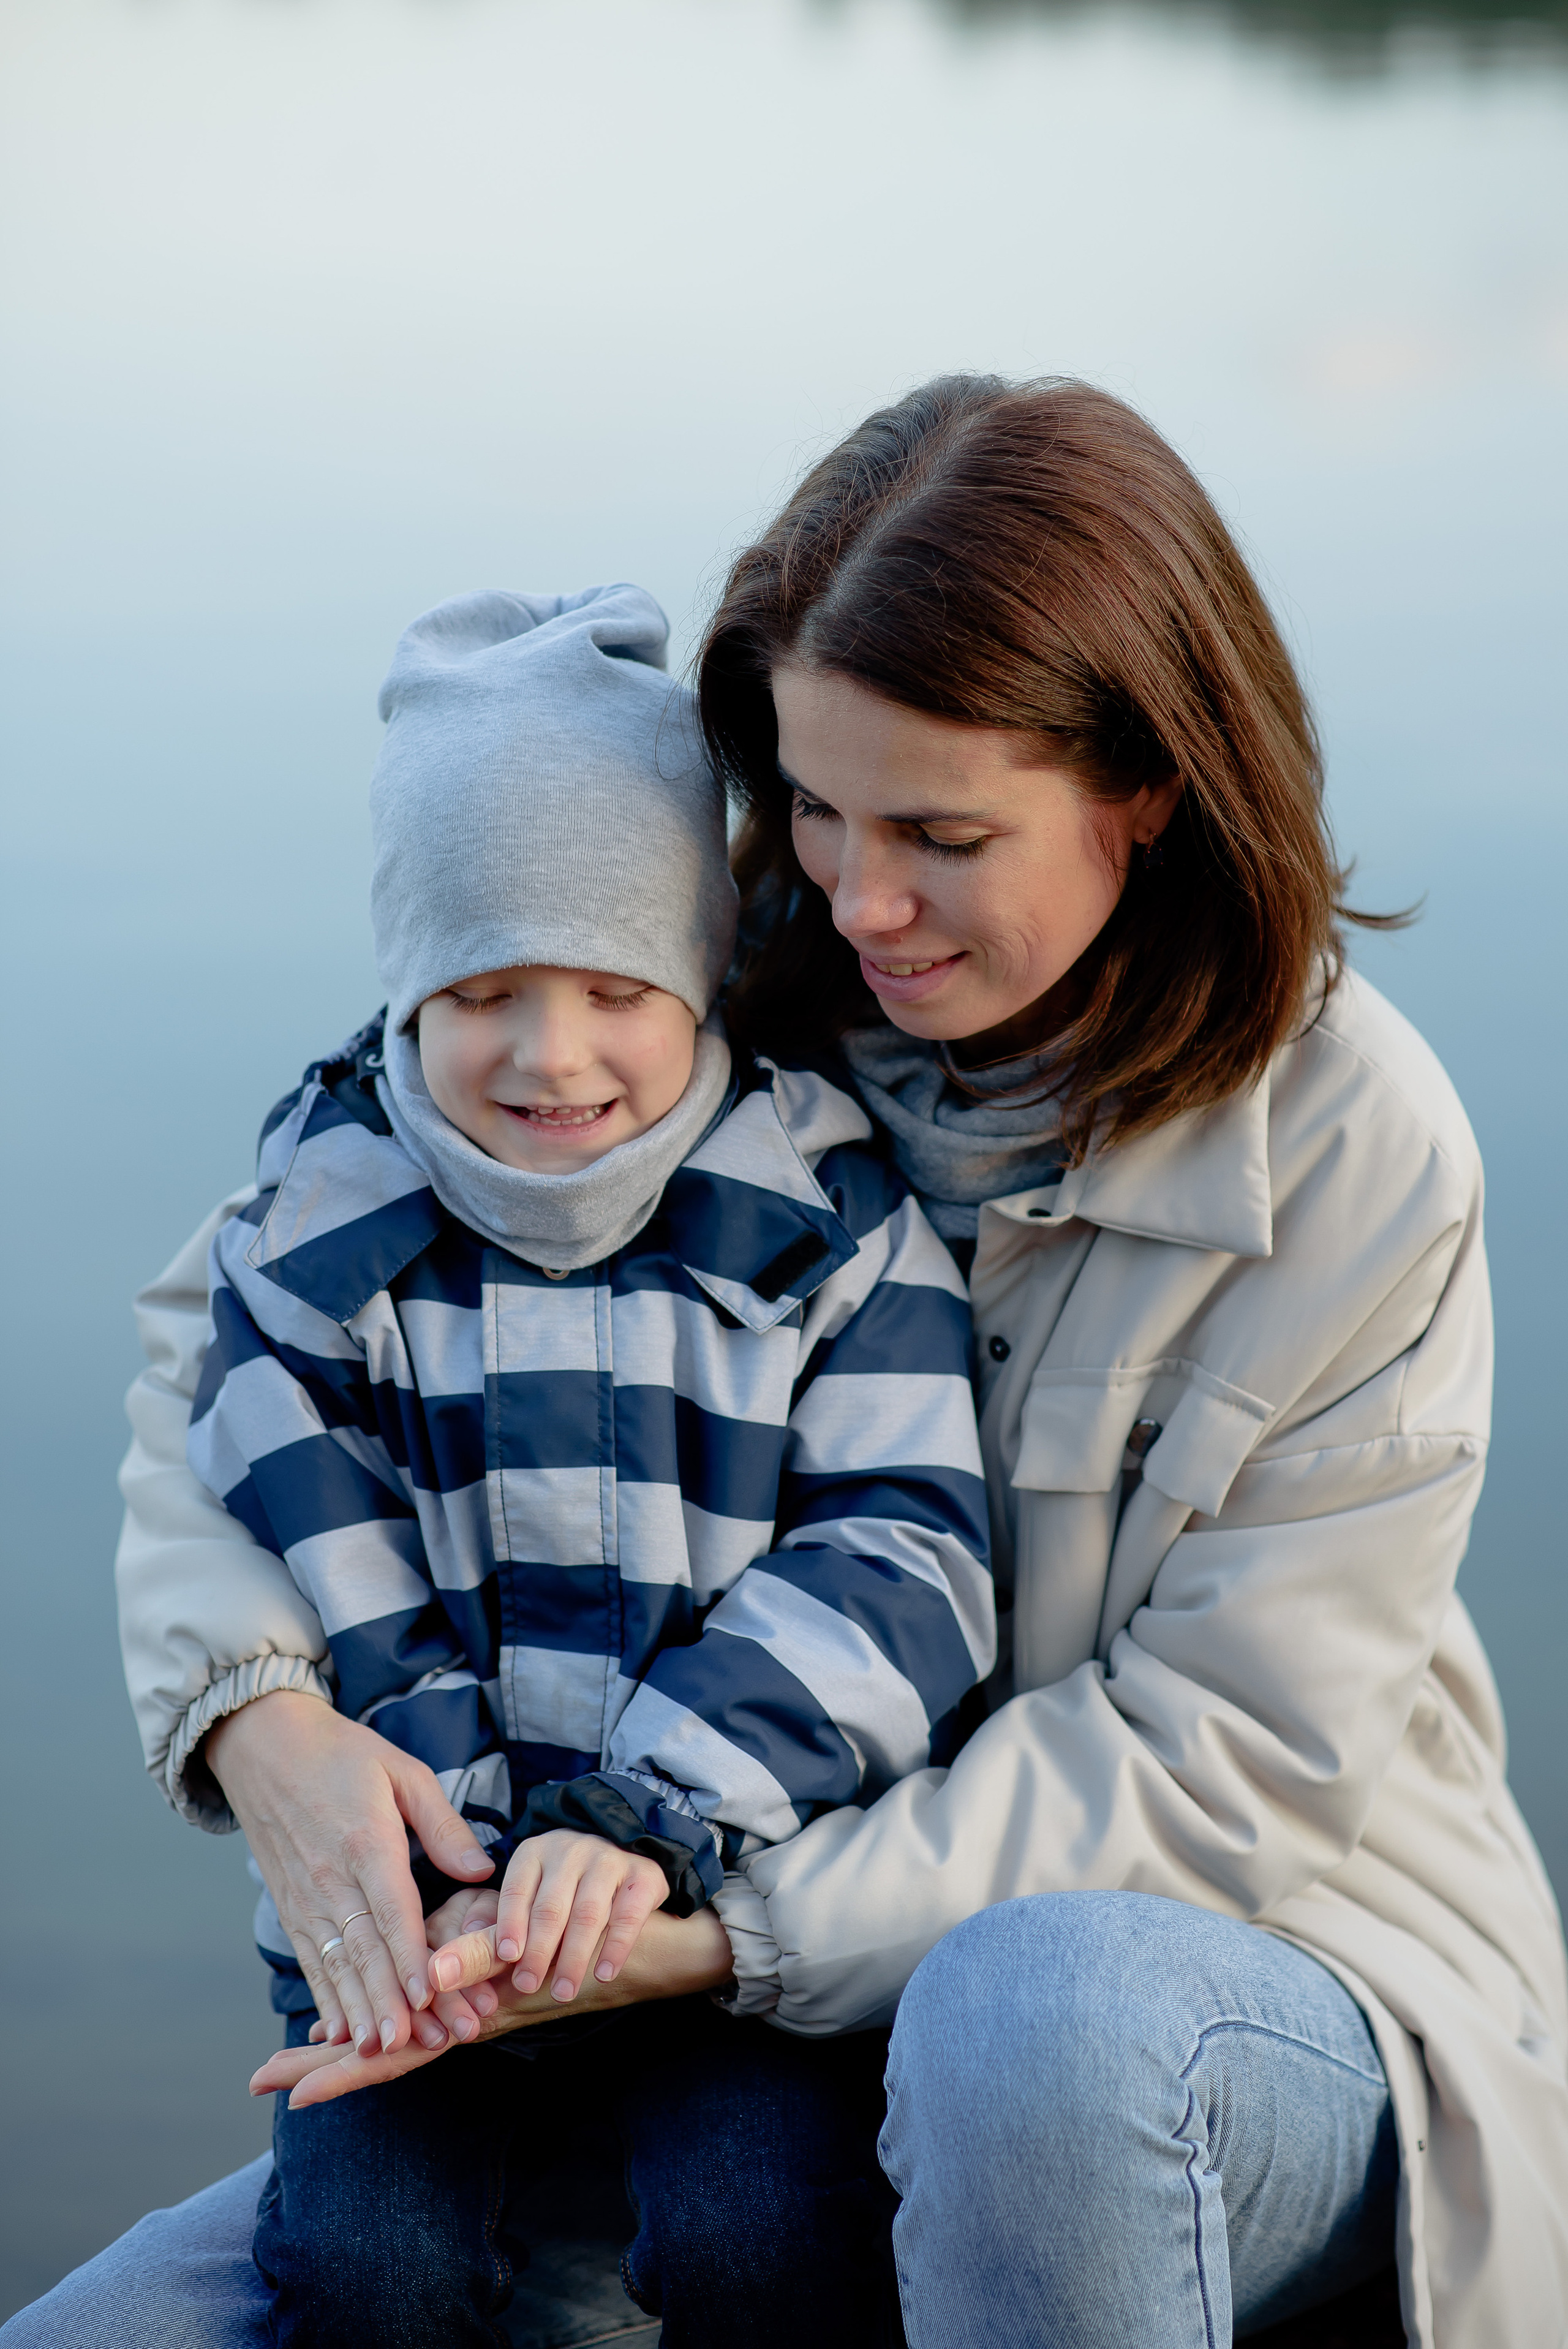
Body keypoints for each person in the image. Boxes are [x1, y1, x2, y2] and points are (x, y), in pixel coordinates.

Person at [9, 376, 1565, 2349]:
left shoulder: (1361, 1148)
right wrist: (263, 1717)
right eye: (810, 807)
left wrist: (717, 1930)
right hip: (600, 1932)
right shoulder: (692, 976)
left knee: (1023, 2016)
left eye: (939, 830)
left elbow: (1223, 1763)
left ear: (1148, 783)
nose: (853, 896)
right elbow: (228, 1326)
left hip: (1217, 1966)